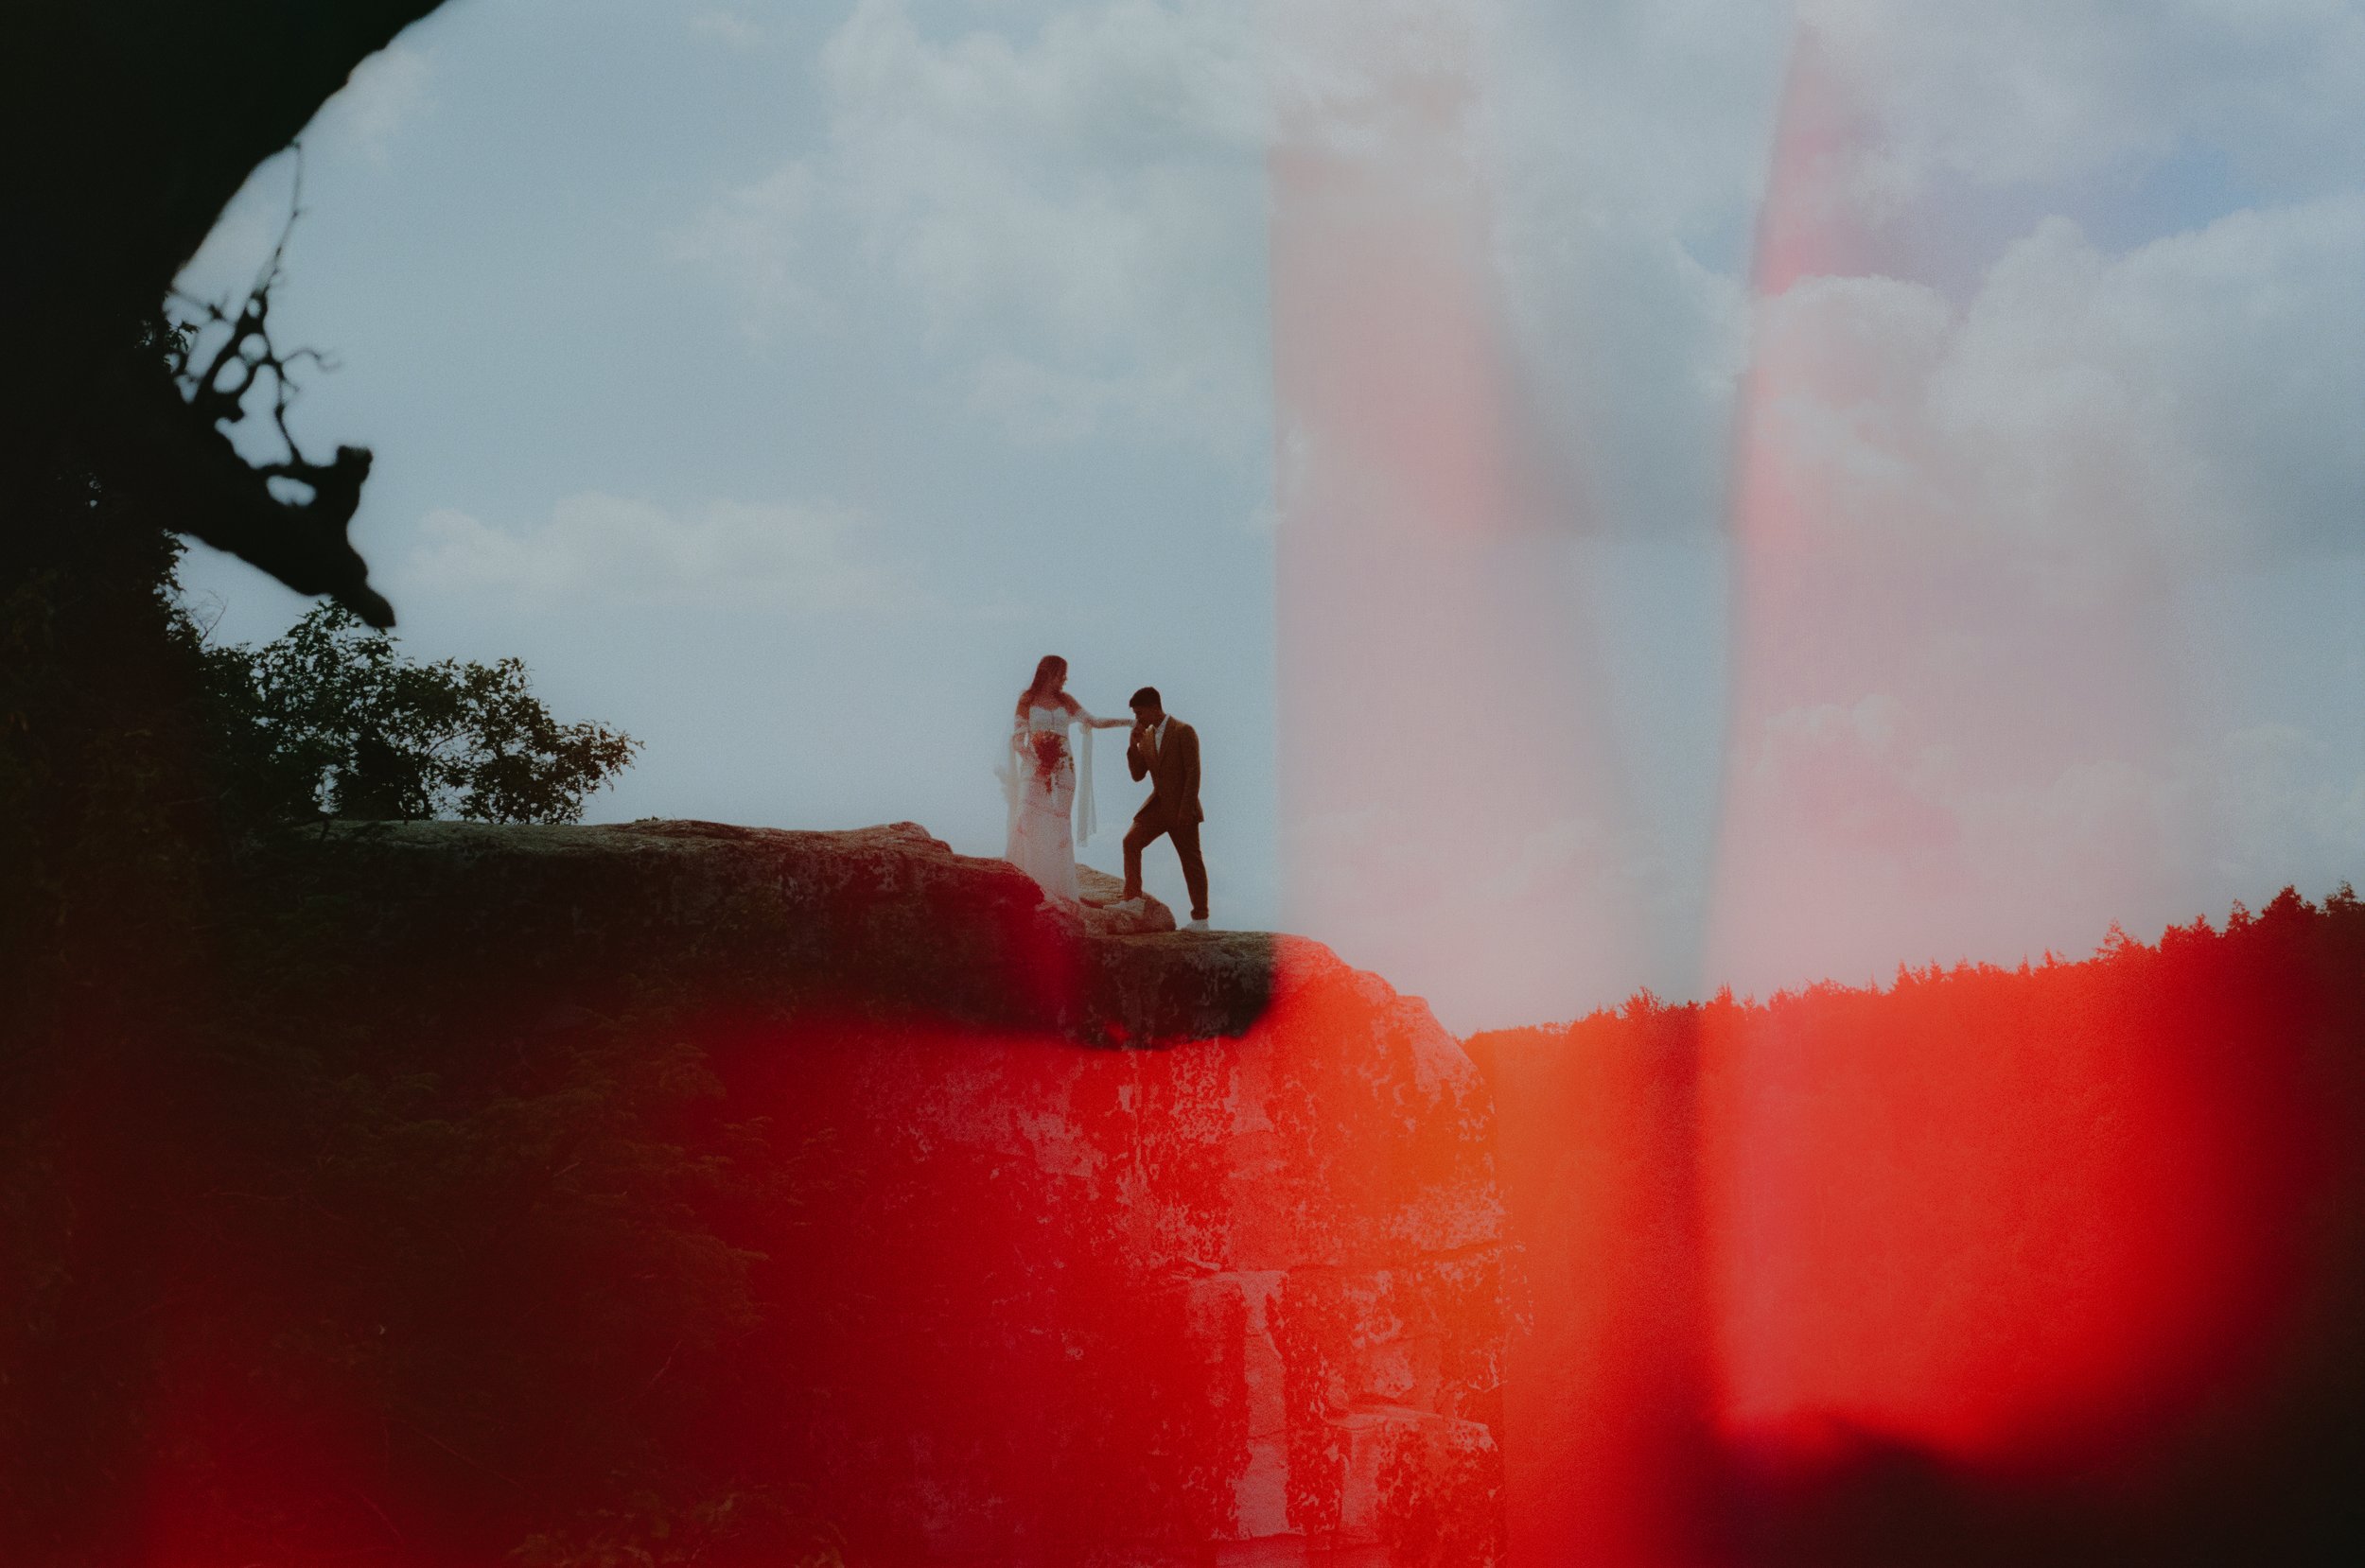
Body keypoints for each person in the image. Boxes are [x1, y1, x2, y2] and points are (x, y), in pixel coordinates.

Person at [1002, 654, 1128, 901]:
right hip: (1034, 769)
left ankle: (1057, 887)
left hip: (1063, 768)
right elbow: (1018, 740)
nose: (1065, 679)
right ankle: (1027, 880)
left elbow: (1094, 721)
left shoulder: (1066, 701)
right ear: (1049, 673)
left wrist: (1130, 722)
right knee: (1028, 818)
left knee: (1058, 825)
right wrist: (1036, 762)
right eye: (1062, 674)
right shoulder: (1027, 700)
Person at [1120, 686, 1209, 932]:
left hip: (1182, 809)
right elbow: (1138, 775)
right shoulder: (1146, 737)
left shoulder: (1183, 731)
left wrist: (1186, 809)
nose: (1137, 719)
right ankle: (1133, 900)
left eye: (1139, 713)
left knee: (1191, 861)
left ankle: (1201, 919)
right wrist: (1133, 744)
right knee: (1130, 842)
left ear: (1154, 708)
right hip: (1157, 809)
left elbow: (1193, 773)